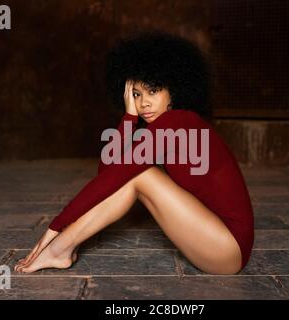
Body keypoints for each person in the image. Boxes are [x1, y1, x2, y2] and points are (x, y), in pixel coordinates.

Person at [15, 30, 254, 275]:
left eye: (153, 91)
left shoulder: (179, 121)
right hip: (214, 242)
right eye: (136, 94)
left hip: (227, 247)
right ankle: (61, 250)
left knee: (141, 174)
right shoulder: (167, 125)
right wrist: (129, 115)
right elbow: (108, 171)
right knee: (133, 174)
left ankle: (59, 249)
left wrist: (55, 227)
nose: (144, 103)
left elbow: (114, 175)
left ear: (175, 90)